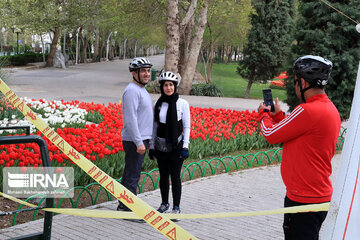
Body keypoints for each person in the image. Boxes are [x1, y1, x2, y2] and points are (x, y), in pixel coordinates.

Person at [257, 55, 341, 240]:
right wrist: (279, 117)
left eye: (295, 81)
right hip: (318, 196)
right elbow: (300, 132)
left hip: (303, 199)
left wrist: (264, 114)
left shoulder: (307, 109)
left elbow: (270, 135)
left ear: (302, 82)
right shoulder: (329, 109)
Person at [148, 71, 191, 217]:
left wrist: (185, 146)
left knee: (175, 176)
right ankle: (164, 203)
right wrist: (152, 146)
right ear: (162, 87)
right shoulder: (158, 103)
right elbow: (154, 126)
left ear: (175, 86)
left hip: (176, 146)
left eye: (171, 85)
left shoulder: (182, 104)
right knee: (163, 176)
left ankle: (176, 206)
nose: (168, 88)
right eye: (166, 85)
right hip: (161, 146)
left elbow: (187, 126)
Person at [117, 57, 154, 212]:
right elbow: (130, 119)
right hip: (134, 140)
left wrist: (148, 139)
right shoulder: (132, 91)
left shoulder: (141, 89)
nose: (147, 74)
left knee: (131, 173)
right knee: (133, 175)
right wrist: (139, 142)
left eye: (148, 71)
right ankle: (128, 208)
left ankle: (124, 204)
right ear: (134, 73)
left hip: (141, 138)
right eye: (143, 71)